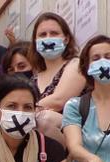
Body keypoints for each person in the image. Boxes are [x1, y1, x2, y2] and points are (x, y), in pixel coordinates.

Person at [30, 13, 87, 142]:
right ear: (35, 41)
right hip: (40, 141)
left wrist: (24, 111)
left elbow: (59, 101)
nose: (48, 38)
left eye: (54, 33)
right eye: (42, 35)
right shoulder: (33, 79)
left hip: (75, 134)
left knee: (44, 119)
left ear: (66, 39)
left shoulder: (76, 64)